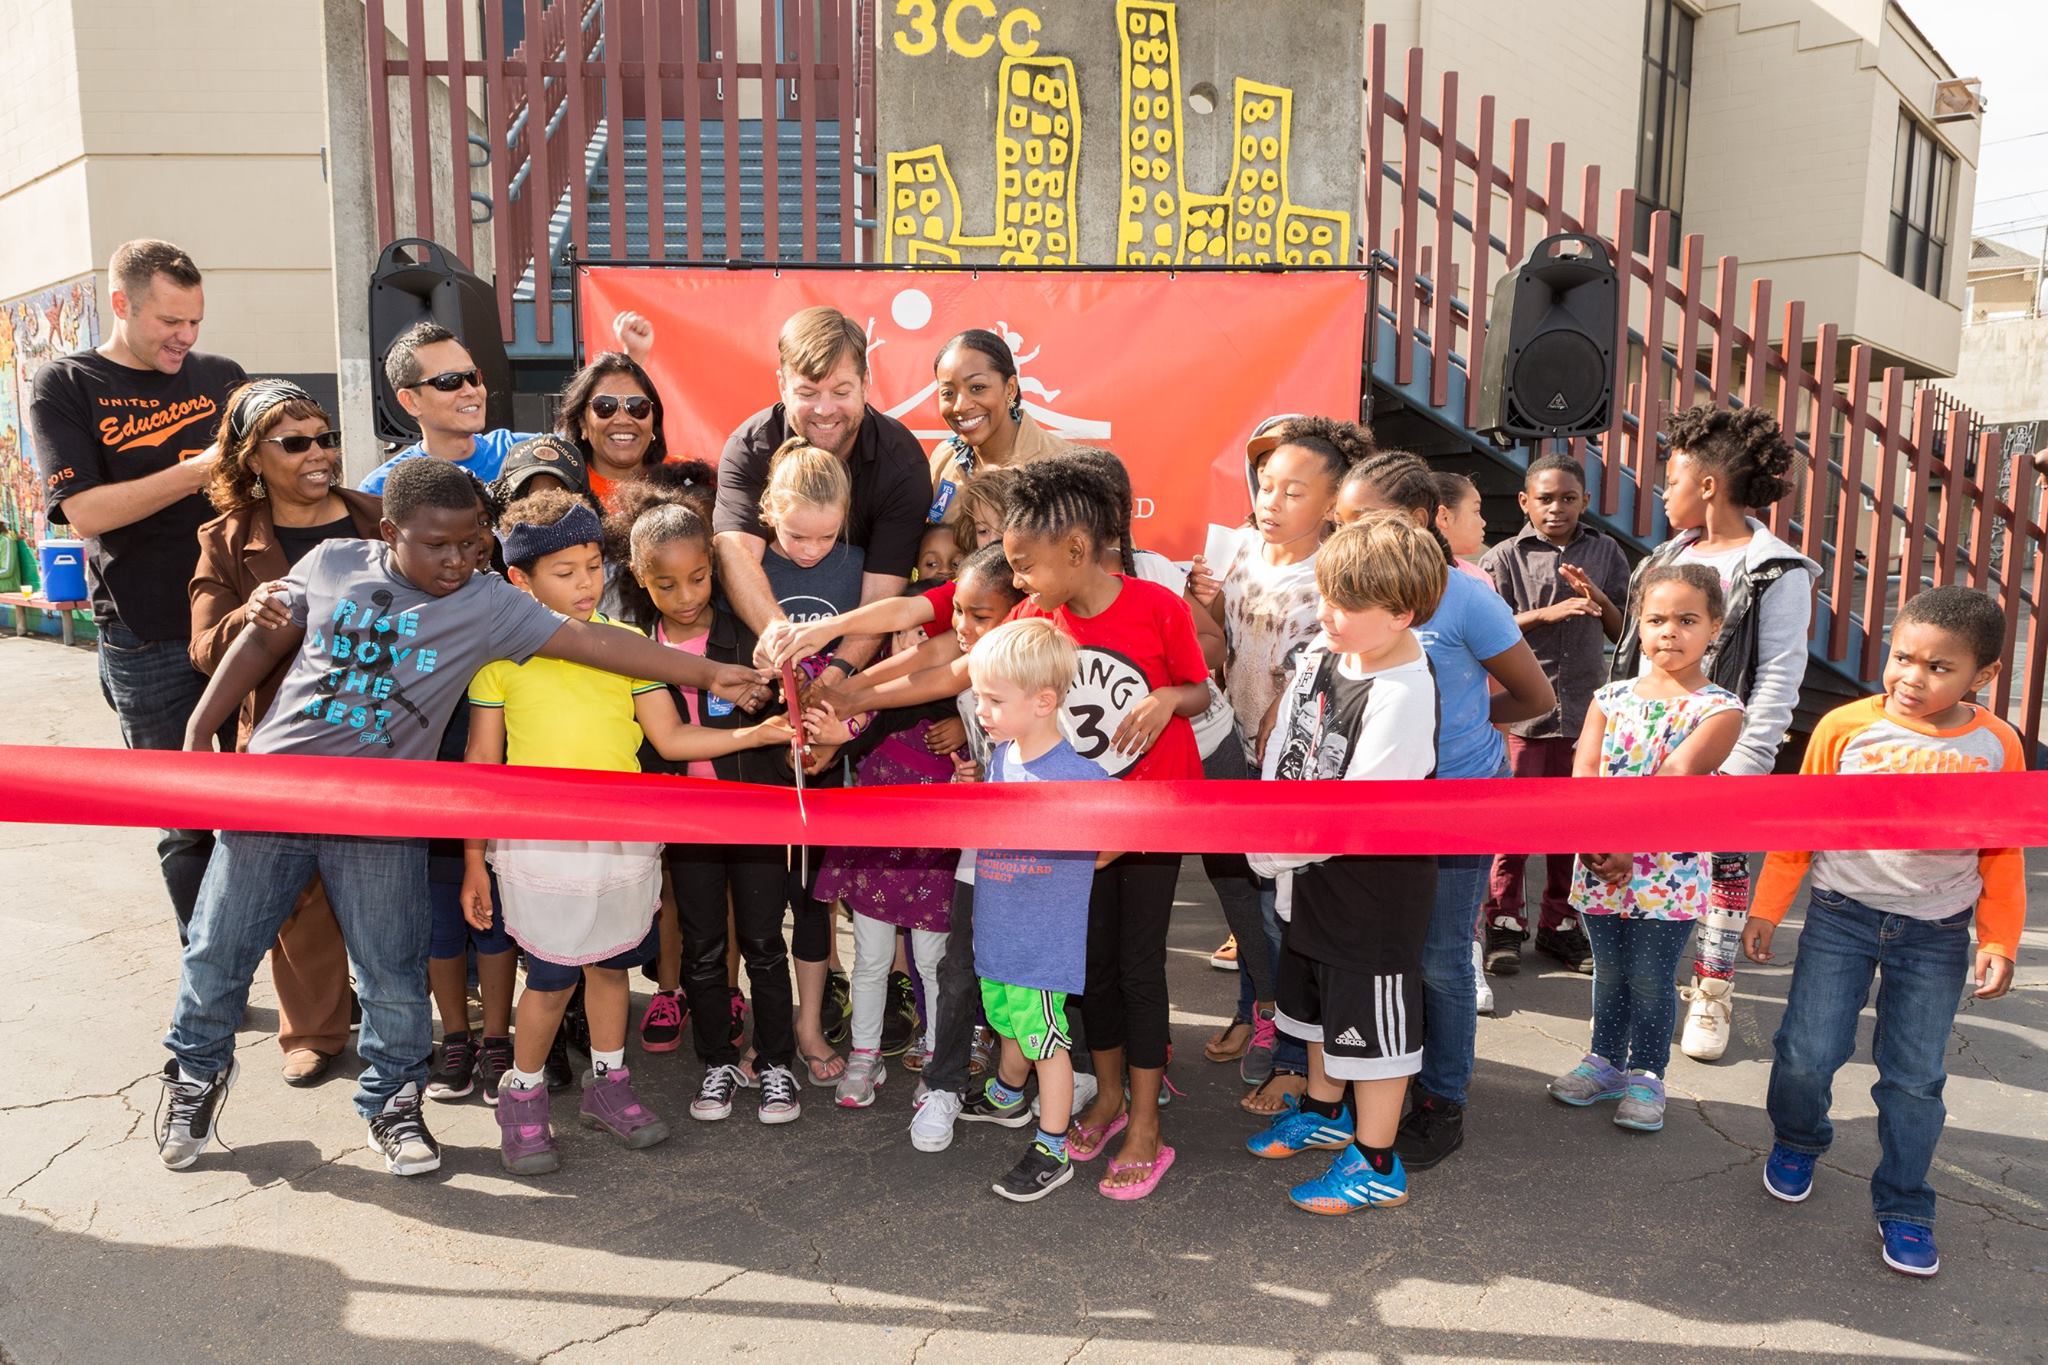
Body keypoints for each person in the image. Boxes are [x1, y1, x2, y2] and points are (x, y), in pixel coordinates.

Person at [152, 457, 764, 1177]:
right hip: (276, 793)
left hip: (384, 811)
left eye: (471, 543)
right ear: (389, 532)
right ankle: (192, 1079)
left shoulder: (488, 602)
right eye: (435, 545)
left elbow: (600, 644)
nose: (456, 559)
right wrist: (198, 735)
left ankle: (393, 1102)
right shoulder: (332, 561)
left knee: (392, 968)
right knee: (218, 948)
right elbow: (262, 638)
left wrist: (709, 672)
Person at [821, 455, 1210, 1194]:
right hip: (1066, 830)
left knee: (1138, 967)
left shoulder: (1158, 606)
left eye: (1026, 565)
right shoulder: (1034, 617)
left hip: (1148, 815)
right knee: (1084, 971)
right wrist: (851, 694)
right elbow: (955, 669)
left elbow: (1196, 685)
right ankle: (1108, 1099)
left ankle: (1148, 1121)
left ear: (1076, 548)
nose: (1019, 581)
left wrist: (1167, 700)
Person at [462, 491, 790, 1174]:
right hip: (540, 844)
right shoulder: (497, 660)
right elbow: (480, 769)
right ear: (519, 580)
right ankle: (520, 1098)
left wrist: (757, 731)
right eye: (565, 571)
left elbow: (669, 739)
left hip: (619, 839)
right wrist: (473, 859)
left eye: (591, 566)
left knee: (609, 966)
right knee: (550, 978)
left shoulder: (633, 647)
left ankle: (608, 1086)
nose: (586, 584)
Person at [1748, 586, 2023, 1279]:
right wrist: (1767, 906)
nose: (1912, 677)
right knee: (1808, 1052)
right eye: (1903, 657)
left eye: (1939, 667)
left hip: (1936, 932)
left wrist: (1999, 938)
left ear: (1981, 676)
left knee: (1915, 1079)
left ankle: (1905, 1201)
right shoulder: (1844, 727)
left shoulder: (1997, 745)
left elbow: (2004, 847)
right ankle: (1798, 1137)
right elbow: (1800, 827)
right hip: (1842, 915)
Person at [1334, 451, 1556, 1171]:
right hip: (1375, 809)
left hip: (1456, 805)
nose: (1352, 535)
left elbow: (1536, 699)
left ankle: (1442, 1099)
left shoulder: (1464, 596)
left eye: (1368, 520)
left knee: (1440, 956)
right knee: (1381, 953)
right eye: (1343, 522)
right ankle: (1376, 1082)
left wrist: (1454, 722)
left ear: (1426, 519)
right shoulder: (1343, 591)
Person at [29, 238, 248, 941]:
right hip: (144, 633)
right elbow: (85, 512)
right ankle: (210, 977)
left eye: (195, 322)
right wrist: (197, 469)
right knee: (186, 822)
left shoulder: (223, 377)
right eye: (169, 322)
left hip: (248, 623)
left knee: (270, 808)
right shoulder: (67, 383)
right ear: (122, 305)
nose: (185, 338)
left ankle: (301, 986)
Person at [1245, 512, 1447, 1214]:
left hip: (1373, 889)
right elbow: (1287, 742)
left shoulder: (1402, 695)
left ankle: (1378, 1161)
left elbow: (1355, 813)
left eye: (1348, 604)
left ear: (1401, 613)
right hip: (1308, 869)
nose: (1327, 613)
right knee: (1321, 1001)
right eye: (1326, 594)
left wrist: (1268, 848)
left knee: (1373, 1026)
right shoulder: (1328, 651)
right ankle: (1328, 1115)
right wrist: (1270, 826)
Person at [1610, 404, 1816, 1062]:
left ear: (1707, 484)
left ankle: (1712, 989)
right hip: (1648, 742)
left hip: (1725, 751)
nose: (1662, 492)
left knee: (1723, 864)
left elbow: (1780, 674)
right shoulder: (1665, 556)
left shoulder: (1775, 569)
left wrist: (1744, 764)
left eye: (1671, 478)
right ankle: (1647, 988)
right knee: (1649, 863)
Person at [188, 381, 380, 1086]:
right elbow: (206, 648)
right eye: (295, 443)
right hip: (280, 743)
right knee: (296, 892)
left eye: (325, 438)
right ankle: (314, 1031)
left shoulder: (376, 518)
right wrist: (250, 612)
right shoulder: (227, 539)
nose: (319, 454)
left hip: (376, 731)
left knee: (385, 885)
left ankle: (404, 1026)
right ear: (253, 458)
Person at [1187, 415, 1363, 1100]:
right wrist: (1202, 608)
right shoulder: (1236, 555)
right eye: (1265, 486)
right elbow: (1219, 650)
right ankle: (1253, 1010)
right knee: (1236, 891)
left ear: (1332, 502)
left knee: (1278, 906)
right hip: (1229, 745)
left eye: (1294, 492)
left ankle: (1287, 1040)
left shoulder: (1336, 574)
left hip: (1295, 766)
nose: (1272, 501)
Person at [1545, 563, 1743, 1133]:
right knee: (1609, 973)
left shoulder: (1720, 709)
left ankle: (1647, 1075)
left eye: (1687, 620)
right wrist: (1595, 840)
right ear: (1637, 623)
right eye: (1656, 619)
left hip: (1668, 868)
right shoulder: (1610, 697)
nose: (1669, 632)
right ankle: (1604, 1062)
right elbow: (1584, 769)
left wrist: (1629, 843)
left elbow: (1677, 776)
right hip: (1601, 859)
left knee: (1651, 976)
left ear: (1714, 626)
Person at [953, 617, 1114, 1201]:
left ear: (1044, 701)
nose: (981, 709)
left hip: (1042, 946)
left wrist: (1084, 861)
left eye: (994, 699)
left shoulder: (1079, 775)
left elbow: (1122, 832)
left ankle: (1052, 1146)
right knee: (1006, 1022)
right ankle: (1005, 1097)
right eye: (979, 696)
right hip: (999, 932)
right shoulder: (1001, 756)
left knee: (1048, 1042)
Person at [713, 307, 929, 684]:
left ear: (866, 381)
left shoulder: (902, 463)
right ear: (782, 384)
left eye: (841, 391)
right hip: (756, 657)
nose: (824, 410)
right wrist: (779, 638)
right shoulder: (749, 447)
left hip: (857, 662)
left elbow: (882, 593)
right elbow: (736, 554)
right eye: (807, 393)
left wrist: (835, 676)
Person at [1479, 453, 1632, 976]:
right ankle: (1502, 925)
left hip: (1586, 718)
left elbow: (1621, 630)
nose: (1557, 508)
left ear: (1585, 501)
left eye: (1568, 498)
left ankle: (1558, 926)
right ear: (1525, 502)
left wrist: (1596, 598)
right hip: (1524, 718)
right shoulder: (1503, 557)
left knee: (1572, 826)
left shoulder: (1606, 550)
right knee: (1514, 828)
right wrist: (1550, 611)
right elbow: (1485, 633)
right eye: (1545, 498)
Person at [357, 322, 534, 494]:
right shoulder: (381, 489)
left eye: (473, 377)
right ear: (410, 401)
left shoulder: (527, 452)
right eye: (449, 381)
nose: (470, 391)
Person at [925, 328, 1073, 524]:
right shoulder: (944, 459)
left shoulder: (1065, 467)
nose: (960, 405)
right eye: (948, 393)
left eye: (977, 388)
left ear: (1010, 389)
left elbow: (1111, 551)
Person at [555, 351, 680, 508]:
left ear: (653, 419)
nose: (622, 420)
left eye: (637, 407)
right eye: (605, 406)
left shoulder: (688, 480)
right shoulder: (561, 491)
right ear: (582, 423)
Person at [1430, 469, 1493, 583]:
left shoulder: (1479, 576)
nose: (1483, 522)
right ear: (1444, 517)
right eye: (1476, 511)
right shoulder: (1475, 581)